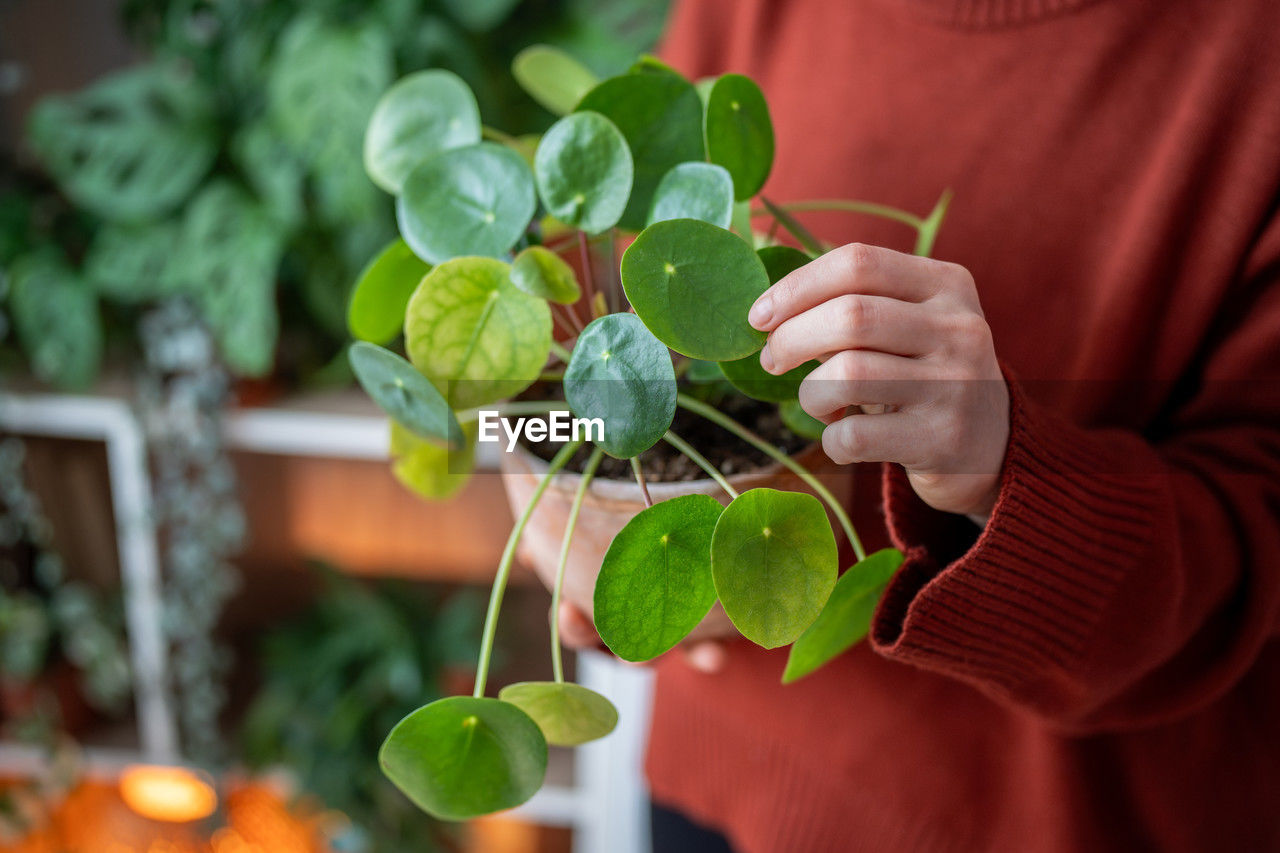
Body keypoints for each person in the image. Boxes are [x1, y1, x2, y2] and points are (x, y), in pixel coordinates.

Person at [551, 0, 1280, 849]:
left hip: (1033, 819)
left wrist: (1004, 469)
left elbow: (1254, 541)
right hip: (716, 777)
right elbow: (633, 290)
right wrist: (568, 508)